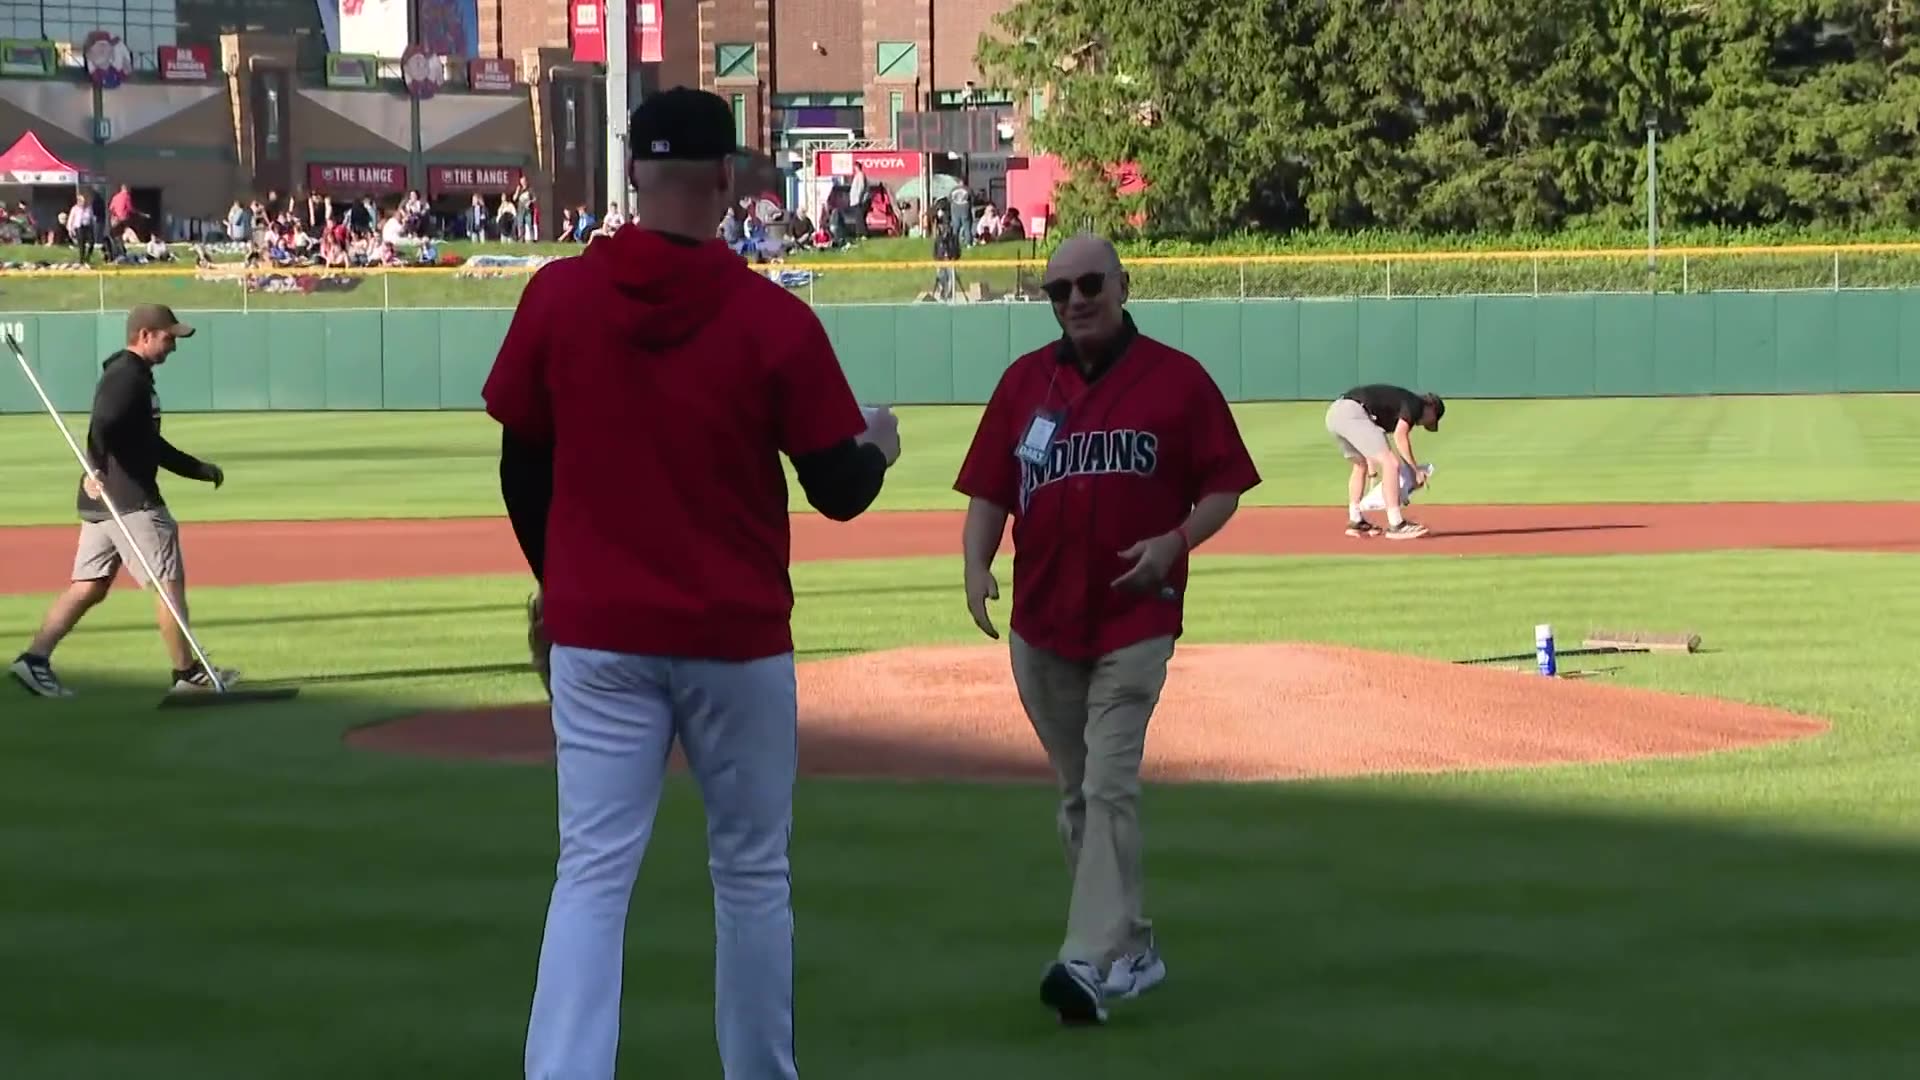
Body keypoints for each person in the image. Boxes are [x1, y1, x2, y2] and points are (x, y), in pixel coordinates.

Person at [481, 86, 901, 1080]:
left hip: (601, 635)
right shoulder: (769, 316)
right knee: (751, 876)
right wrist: (878, 443)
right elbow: (838, 490)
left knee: (591, 874)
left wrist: (561, 583)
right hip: (736, 639)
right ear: (727, 182)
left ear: (632, 173)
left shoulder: (557, 297)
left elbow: (520, 463)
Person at [952, 232, 1261, 1026]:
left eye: (1091, 284)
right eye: (1059, 291)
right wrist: (976, 563)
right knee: (1077, 795)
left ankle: (1084, 961)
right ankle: (1132, 948)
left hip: (1135, 618)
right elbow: (990, 489)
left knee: (1108, 784)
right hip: (1042, 621)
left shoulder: (1176, 381)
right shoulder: (1026, 383)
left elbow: (1225, 485)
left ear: (1123, 285)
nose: (1076, 300)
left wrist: (1175, 542)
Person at [9, 304, 236, 699]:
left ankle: (34, 659)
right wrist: (93, 468)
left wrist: (196, 469)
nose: (173, 347)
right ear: (145, 335)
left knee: (89, 586)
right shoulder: (126, 377)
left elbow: (150, 443)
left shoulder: (134, 377)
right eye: (169, 338)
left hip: (106, 503)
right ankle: (187, 673)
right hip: (130, 501)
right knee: (168, 585)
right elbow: (102, 424)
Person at [1324, 383, 1444, 539]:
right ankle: (1396, 524)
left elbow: (1372, 435)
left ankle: (1356, 520)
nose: (1425, 424)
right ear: (1431, 408)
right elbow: (1400, 438)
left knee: (1360, 465)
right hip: (1353, 412)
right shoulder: (1416, 404)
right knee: (1391, 463)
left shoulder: (1399, 405)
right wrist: (1415, 472)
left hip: (1335, 413)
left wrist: (1374, 465)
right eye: (1432, 420)